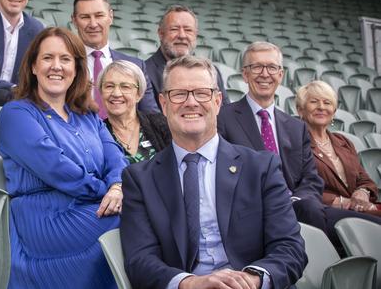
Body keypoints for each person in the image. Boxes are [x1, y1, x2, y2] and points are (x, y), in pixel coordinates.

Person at [121, 55, 306, 289]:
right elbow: (140, 260)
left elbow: (290, 248)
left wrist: (251, 280)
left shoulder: (261, 167)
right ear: (164, 104)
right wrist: (189, 283)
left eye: (202, 93)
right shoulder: (139, 179)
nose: (191, 102)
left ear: (218, 101)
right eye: (179, 93)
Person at [0, 27, 128, 288]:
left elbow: (115, 156)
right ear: (33, 66)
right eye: (47, 58)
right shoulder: (16, 114)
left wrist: (118, 185)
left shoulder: (88, 115)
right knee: (140, 218)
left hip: (89, 208)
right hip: (46, 218)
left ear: (77, 68)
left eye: (65, 59)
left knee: (148, 216)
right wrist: (107, 192)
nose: (56, 66)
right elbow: (56, 168)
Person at [217, 41, 381, 247]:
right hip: (255, 210)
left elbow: (310, 179)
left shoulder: (295, 127)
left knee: (374, 227)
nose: (264, 74)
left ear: (281, 74)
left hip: (300, 208)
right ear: (245, 74)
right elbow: (222, 173)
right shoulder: (224, 117)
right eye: (256, 67)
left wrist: (298, 201)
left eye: (272, 67)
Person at [296, 81, 381, 216]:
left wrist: (363, 192)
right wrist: (339, 201)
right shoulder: (295, 143)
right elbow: (297, 187)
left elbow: (365, 180)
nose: (321, 107)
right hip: (327, 213)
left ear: (334, 112)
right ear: (300, 110)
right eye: (314, 101)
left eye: (327, 103)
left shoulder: (344, 142)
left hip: (359, 210)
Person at [71, 0, 159, 118]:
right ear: (74, 20)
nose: (93, 24)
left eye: (99, 15)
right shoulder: (65, 66)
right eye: (85, 17)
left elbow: (152, 117)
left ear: (110, 17)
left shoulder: (136, 66)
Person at [145, 4, 229, 109]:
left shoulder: (212, 71)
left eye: (188, 30)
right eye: (174, 29)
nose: (182, 35)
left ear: (195, 35)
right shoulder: (145, 72)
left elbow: (225, 113)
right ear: (161, 34)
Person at [99, 60, 171, 163]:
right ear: (101, 92)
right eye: (109, 86)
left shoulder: (161, 124)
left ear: (139, 94)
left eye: (125, 87)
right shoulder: (97, 133)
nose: (116, 93)